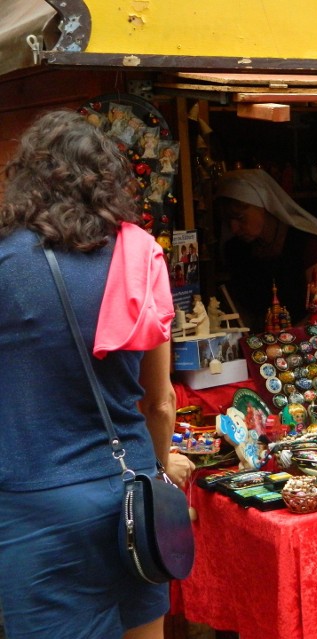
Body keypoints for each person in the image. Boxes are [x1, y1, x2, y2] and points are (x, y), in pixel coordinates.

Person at [0, 109, 194, 639]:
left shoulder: (5, 263)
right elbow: (160, 403)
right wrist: (158, 466)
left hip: (39, 504)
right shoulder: (140, 254)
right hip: (133, 492)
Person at [215, 169, 317, 332]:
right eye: (228, 220)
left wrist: (288, 340)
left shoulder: (306, 243)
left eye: (240, 218)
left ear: (264, 206)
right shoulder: (236, 250)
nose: (233, 228)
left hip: (312, 338)